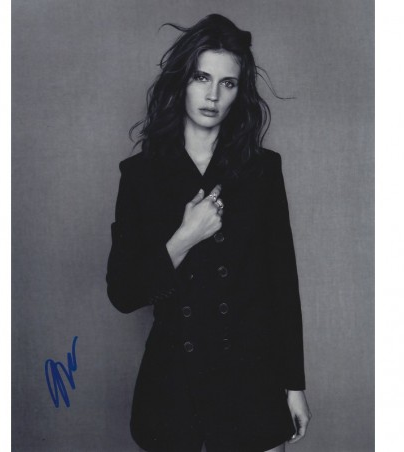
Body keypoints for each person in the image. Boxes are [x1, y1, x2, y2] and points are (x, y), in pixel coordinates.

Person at [106, 14, 311, 452]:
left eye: (228, 83)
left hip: (251, 379)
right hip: (173, 385)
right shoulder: (140, 176)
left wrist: (294, 383)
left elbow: (282, 284)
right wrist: (185, 236)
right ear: (182, 80)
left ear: (240, 92)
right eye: (202, 77)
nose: (213, 95)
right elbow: (122, 293)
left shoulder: (261, 170)